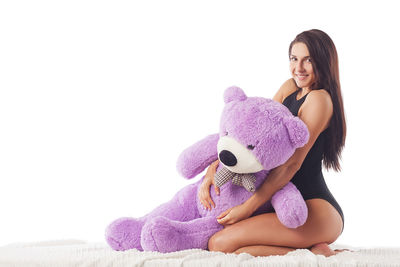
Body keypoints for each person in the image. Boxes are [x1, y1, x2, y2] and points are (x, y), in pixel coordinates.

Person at [200, 29, 346, 257]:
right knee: (219, 242)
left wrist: (248, 208)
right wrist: (214, 168)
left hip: (313, 208)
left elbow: (291, 165)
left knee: (219, 244)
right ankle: (310, 248)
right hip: (275, 201)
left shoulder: (319, 99)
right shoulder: (290, 87)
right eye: (294, 58)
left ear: (324, 61)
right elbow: (253, 136)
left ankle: (314, 251)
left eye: (309, 60)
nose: (299, 68)